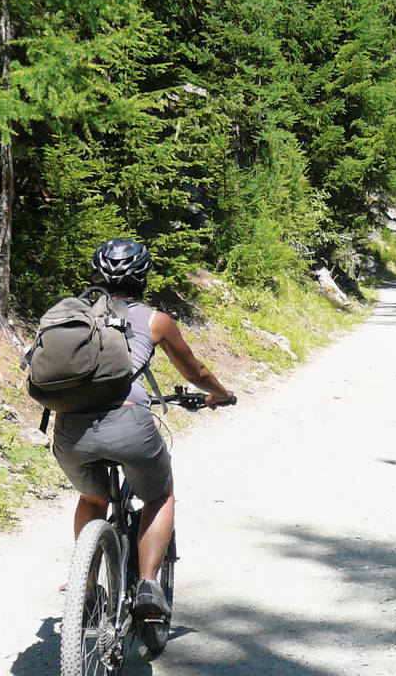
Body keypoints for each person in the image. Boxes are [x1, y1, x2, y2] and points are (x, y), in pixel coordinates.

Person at [51, 237, 233, 620]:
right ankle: (148, 584)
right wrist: (220, 394)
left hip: (71, 431)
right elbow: (195, 372)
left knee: (92, 499)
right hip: (129, 424)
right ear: (144, 276)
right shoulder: (156, 320)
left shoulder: (69, 315)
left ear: (96, 274)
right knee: (160, 495)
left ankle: (84, 587)